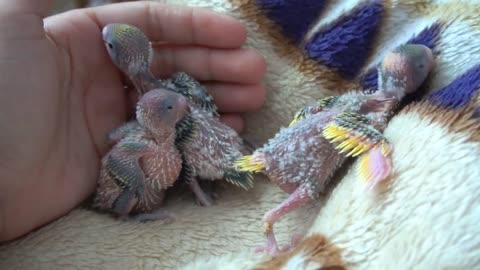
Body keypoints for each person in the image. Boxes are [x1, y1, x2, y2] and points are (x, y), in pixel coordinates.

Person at [0, 0, 267, 241]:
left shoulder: (161, 102)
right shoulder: (160, 103)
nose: (104, 35)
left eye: (110, 46)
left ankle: (216, 180)